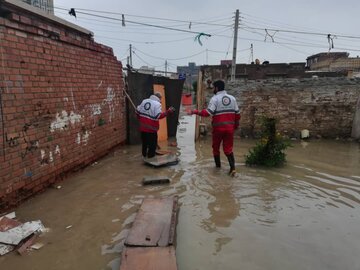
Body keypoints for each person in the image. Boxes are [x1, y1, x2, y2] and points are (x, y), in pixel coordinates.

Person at [189, 80, 240, 176]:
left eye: (213, 88)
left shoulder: (215, 99)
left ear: (216, 88)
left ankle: (217, 169)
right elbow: (237, 114)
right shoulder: (232, 98)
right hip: (229, 129)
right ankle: (233, 169)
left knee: (216, 148)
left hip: (218, 129)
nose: (212, 89)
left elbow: (208, 113)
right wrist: (235, 126)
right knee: (228, 149)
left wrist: (196, 111)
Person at [136, 92, 175, 159]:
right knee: (152, 145)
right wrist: (168, 111)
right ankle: (151, 159)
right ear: (159, 98)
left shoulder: (144, 101)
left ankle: (144, 157)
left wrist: (140, 119)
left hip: (143, 128)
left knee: (144, 144)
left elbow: (137, 111)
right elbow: (158, 116)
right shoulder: (157, 104)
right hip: (151, 130)